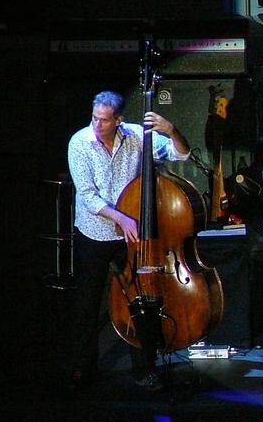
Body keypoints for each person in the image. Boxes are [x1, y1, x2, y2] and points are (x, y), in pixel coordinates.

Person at [66, 90, 192, 392]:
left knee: (139, 300)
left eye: (104, 120)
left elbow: (180, 154)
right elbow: (88, 196)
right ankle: (84, 368)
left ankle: (144, 368)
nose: (97, 125)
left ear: (119, 120)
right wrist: (122, 219)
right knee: (87, 304)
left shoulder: (136, 136)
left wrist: (172, 130)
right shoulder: (79, 143)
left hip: (131, 238)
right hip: (94, 232)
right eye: (94, 118)